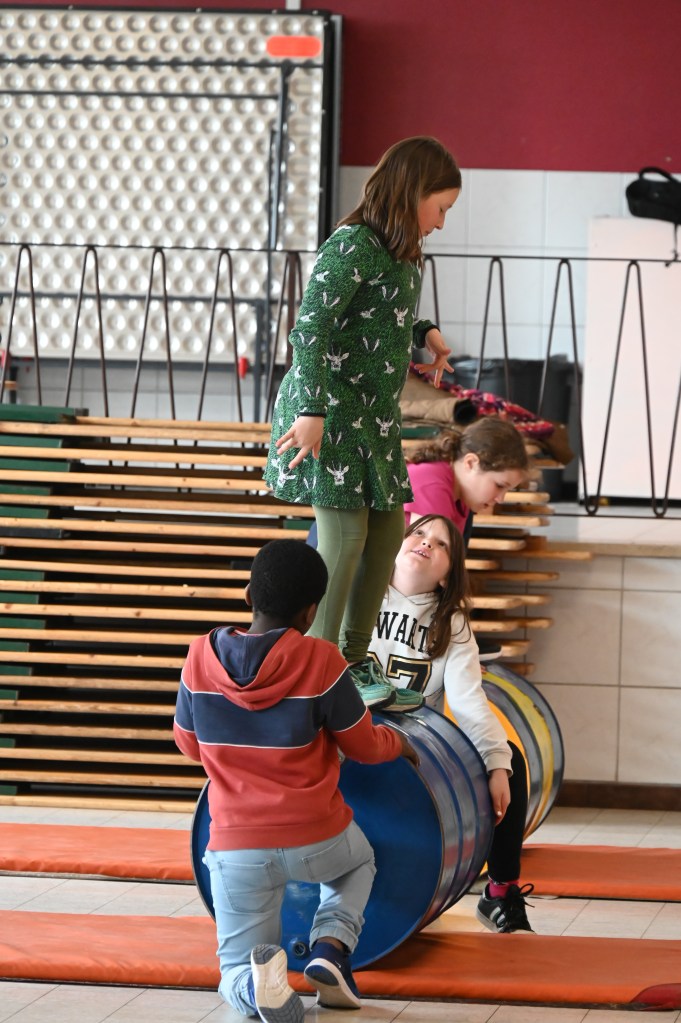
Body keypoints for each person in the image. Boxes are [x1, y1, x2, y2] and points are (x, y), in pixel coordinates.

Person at [173, 539, 419, 1022]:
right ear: (311, 613)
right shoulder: (322, 660)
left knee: (233, 969)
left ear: (249, 595)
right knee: (359, 862)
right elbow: (364, 746)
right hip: (317, 837)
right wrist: (402, 745)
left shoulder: (199, 657)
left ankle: (255, 985)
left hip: (236, 847)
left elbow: (188, 744)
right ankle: (331, 948)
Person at [263, 136, 462, 713]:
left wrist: (424, 332)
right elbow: (311, 328)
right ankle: (319, 665)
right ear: (413, 192)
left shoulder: (402, 252)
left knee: (385, 534)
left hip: (371, 417)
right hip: (328, 409)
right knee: (345, 537)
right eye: (440, 207)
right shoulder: (353, 243)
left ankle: (352, 658)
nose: (441, 223)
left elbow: (377, 314)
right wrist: (310, 411)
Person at [367, 514, 535, 933]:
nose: (427, 542)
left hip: (412, 749)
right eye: (419, 533)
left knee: (510, 761)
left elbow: (468, 702)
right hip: (351, 736)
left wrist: (496, 764)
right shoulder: (359, 594)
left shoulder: (452, 623)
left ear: (447, 574)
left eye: (441, 544)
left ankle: (500, 891)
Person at [404, 416, 531, 537]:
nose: (500, 499)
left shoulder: (463, 494)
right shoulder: (431, 485)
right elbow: (427, 552)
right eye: (499, 485)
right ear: (471, 463)